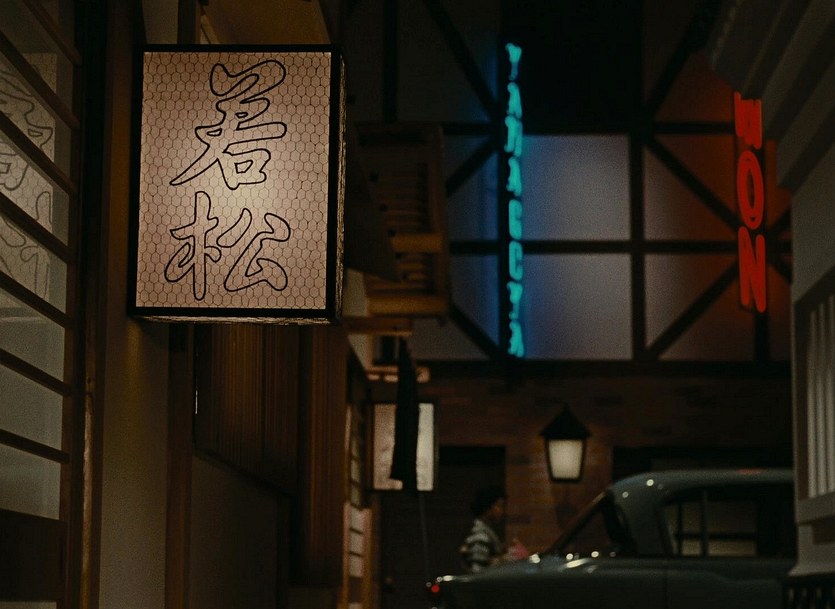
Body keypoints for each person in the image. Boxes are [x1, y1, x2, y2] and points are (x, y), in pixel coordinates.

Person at [459, 485, 528, 573]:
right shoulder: (480, 535)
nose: (502, 511)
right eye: (499, 506)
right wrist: (509, 558)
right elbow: (478, 571)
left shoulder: (484, 532)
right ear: (487, 508)